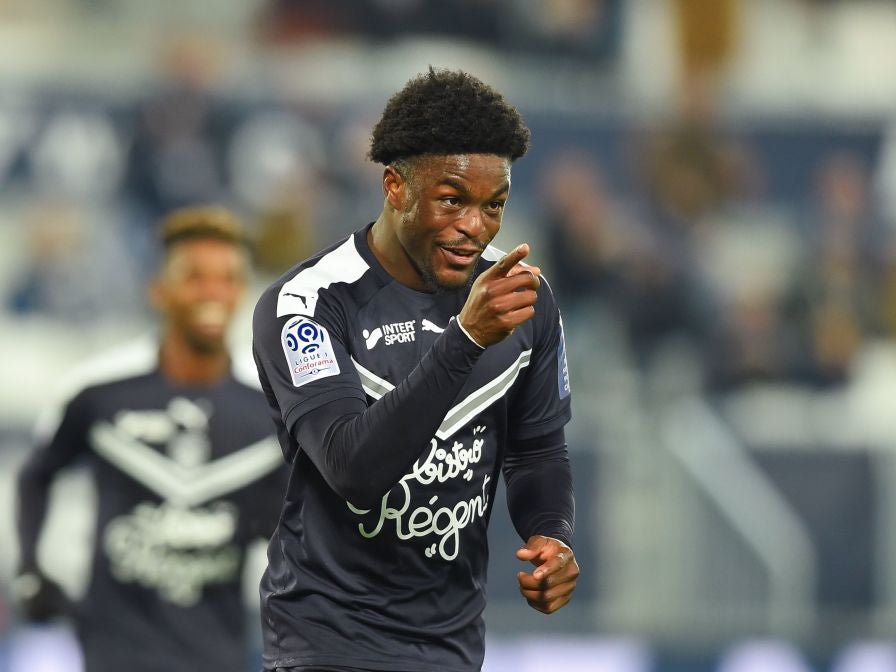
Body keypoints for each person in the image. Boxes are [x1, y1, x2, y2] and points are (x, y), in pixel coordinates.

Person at [252, 67, 579, 672]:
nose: (474, 227)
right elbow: (353, 468)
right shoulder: (307, 305)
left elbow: (538, 450)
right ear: (395, 187)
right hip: (328, 642)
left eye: (494, 205)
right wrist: (465, 341)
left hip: (451, 648)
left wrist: (550, 535)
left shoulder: (523, 297)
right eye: (452, 199)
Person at [14, 206, 287, 672]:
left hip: (217, 652)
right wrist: (31, 570)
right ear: (157, 290)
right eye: (195, 276)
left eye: (227, 278)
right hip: (113, 651)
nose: (213, 292)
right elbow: (37, 474)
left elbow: (287, 525)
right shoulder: (99, 393)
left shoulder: (269, 412)